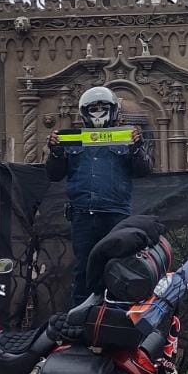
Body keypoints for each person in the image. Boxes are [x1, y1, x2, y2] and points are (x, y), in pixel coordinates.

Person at [46, 86, 153, 305]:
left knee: (120, 268)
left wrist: (137, 148)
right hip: (83, 215)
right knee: (84, 270)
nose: (98, 112)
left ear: (113, 110)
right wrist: (55, 151)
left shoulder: (125, 138)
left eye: (103, 107)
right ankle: (81, 322)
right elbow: (54, 174)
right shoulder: (72, 139)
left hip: (116, 215)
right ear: (84, 112)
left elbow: (144, 170)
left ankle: (119, 318)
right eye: (93, 108)